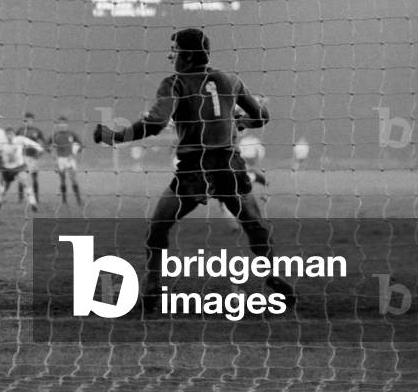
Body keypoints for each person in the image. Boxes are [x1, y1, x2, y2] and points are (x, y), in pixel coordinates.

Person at [93, 27, 294, 313]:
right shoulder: (231, 79)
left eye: (173, 51)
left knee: (158, 227)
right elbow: (261, 116)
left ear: (186, 56)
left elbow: (155, 123)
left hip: (195, 169)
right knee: (256, 226)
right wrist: (239, 121)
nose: (170, 56)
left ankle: (152, 284)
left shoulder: (174, 83)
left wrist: (115, 136)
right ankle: (273, 276)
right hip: (229, 166)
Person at [0, 127, 41, 213]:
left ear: (14, 135)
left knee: (26, 182)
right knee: (5, 187)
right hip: (7, 169)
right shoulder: (1, 143)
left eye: (11, 134)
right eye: (7, 134)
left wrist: (39, 148)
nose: (9, 136)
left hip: (20, 167)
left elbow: (31, 143)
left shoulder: (20, 139)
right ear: (5, 136)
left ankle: (33, 204)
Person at [49, 117, 83, 207]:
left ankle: (79, 200)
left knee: (73, 179)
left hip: (70, 159)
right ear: (58, 125)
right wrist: (52, 154)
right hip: (60, 160)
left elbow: (80, 145)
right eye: (60, 123)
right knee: (62, 180)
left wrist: (74, 154)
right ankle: (64, 201)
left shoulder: (72, 134)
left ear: (67, 125)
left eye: (64, 123)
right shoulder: (55, 135)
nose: (62, 125)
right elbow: (48, 146)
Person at [15, 112, 48, 202]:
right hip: (22, 158)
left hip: (33, 158)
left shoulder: (36, 131)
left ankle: (36, 198)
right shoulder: (20, 131)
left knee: (34, 178)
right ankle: (20, 198)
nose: (28, 122)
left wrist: (39, 153)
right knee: (21, 178)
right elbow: (14, 142)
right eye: (26, 120)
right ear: (24, 121)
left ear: (33, 121)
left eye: (30, 120)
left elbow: (44, 142)